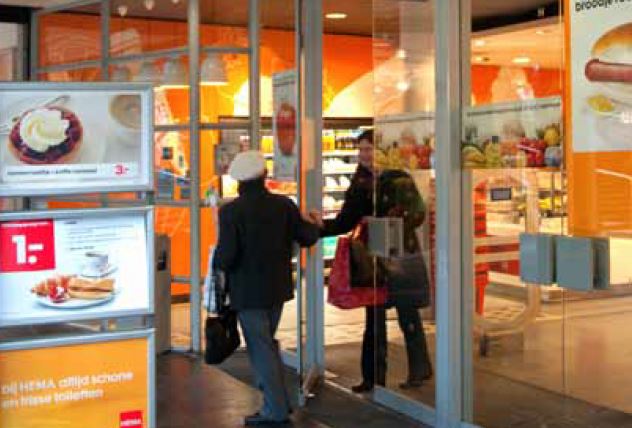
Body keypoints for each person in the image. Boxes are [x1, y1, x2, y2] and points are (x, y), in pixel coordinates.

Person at [310, 129, 432, 392]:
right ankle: (372, 377)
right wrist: (321, 227)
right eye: (361, 149)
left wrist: (391, 223)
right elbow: (347, 219)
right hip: (373, 257)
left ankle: (419, 370)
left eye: (369, 149)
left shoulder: (398, 178)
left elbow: (419, 213)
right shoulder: (360, 180)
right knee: (373, 317)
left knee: (407, 313)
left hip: (401, 254)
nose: (364, 155)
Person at [214, 151, 320, 426]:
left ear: (238, 180)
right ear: (264, 175)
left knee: (261, 348)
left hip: (247, 293)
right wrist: (314, 222)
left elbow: (226, 257)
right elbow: (307, 237)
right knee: (266, 345)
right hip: (277, 289)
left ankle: (275, 410)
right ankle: (276, 403)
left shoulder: (231, 212)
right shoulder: (283, 205)